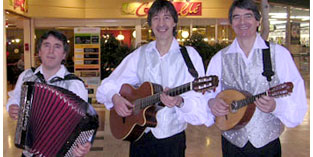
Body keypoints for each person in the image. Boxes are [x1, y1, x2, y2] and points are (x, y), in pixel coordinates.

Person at [96, 0, 209, 156]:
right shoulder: (140, 54)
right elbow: (107, 85)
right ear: (150, 23)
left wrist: (180, 101)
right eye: (156, 18)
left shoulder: (189, 56)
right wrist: (115, 98)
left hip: (172, 140)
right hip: (141, 137)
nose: (161, 23)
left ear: (175, 22)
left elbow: (200, 106)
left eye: (167, 17)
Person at [204, 0, 308, 156]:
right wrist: (211, 103)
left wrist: (276, 107)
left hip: (266, 144)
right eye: (236, 17)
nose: (242, 22)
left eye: (248, 16)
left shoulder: (278, 54)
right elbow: (207, 94)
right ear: (231, 23)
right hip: (232, 143)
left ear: (258, 21)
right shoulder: (219, 58)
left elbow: (296, 97)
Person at [7, 30, 92, 157]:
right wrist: (11, 106)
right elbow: (15, 97)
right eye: (46, 45)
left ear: (64, 55)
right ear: (39, 52)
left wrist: (85, 144)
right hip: (29, 150)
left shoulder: (75, 84)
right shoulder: (26, 76)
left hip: (60, 151)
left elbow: (85, 121)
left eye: (57, 46)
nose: (51, 51)